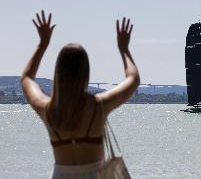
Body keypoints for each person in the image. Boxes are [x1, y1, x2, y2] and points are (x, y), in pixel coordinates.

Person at [21, 10, 140, 178]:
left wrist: (43, 44)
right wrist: (124, 49)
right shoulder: (99, 106)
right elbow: (133, 79)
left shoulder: (47, 110)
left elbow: (26, 78)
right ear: (86, 73)